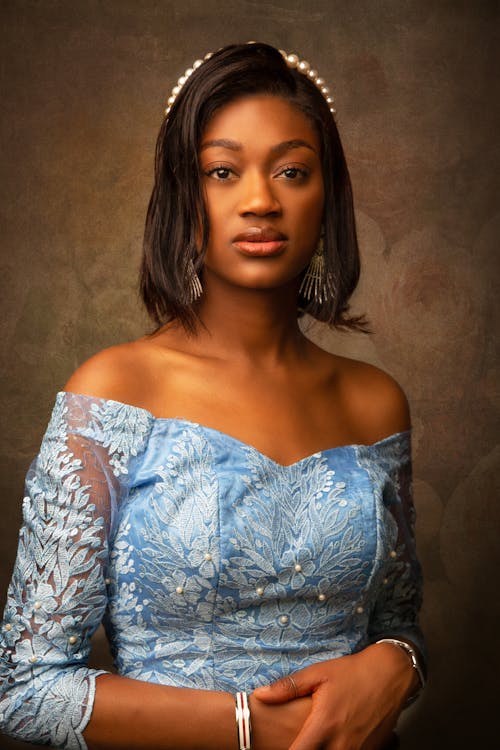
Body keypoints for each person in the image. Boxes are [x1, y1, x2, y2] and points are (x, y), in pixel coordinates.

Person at [0, 42, 425, 750]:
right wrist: (251, 726)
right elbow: (26, 687)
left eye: (292, 171)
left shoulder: (374, 404)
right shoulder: (112, 393)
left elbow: (399, 629)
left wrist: (399, 663)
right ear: (183, 194)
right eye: (223, 172)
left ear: (327, 197)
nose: (260, 200)